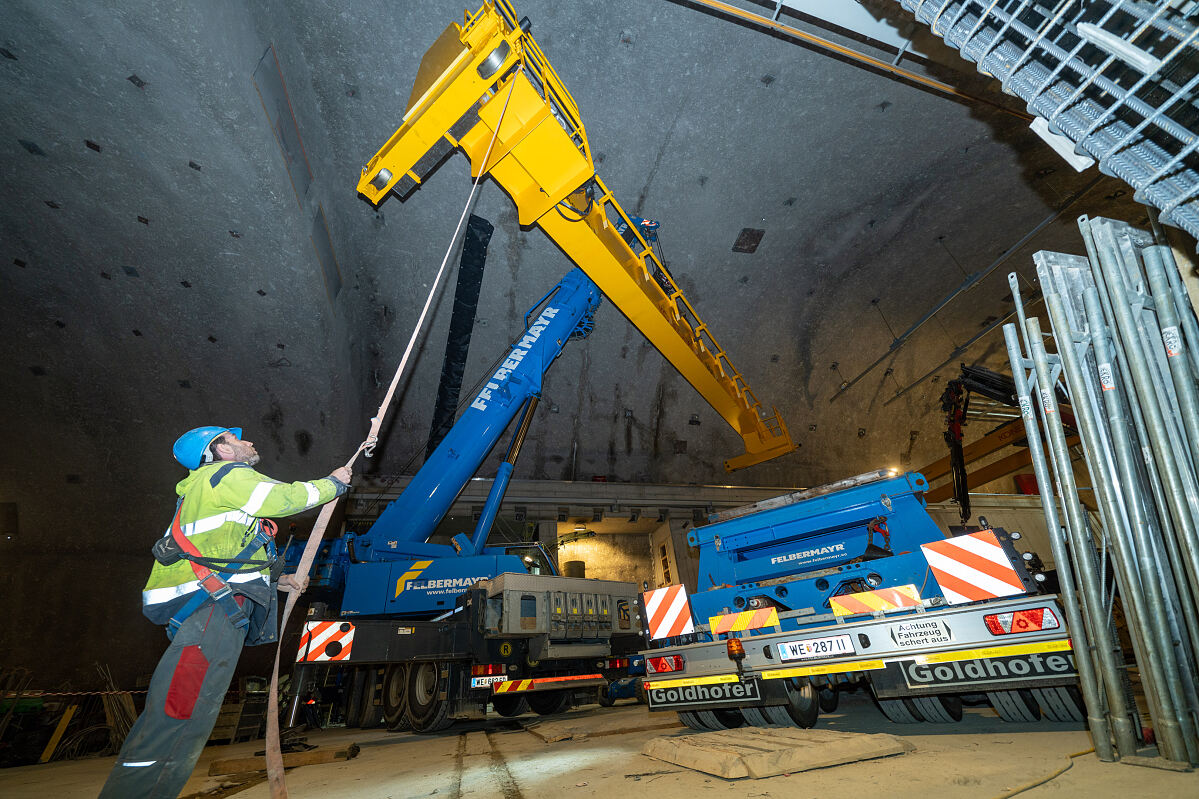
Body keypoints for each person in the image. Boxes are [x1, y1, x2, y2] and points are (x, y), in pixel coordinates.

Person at [99, 426, 351, 798]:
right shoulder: (225, 475)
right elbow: (283, 498)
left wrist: (276, 581)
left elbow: (225, 553)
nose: (248, 442)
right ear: (219, 451)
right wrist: (333, 484)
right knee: (180, 718)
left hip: (206, 610)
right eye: (237, 440)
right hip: (212, 612)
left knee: (176, 716)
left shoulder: (210, 490)